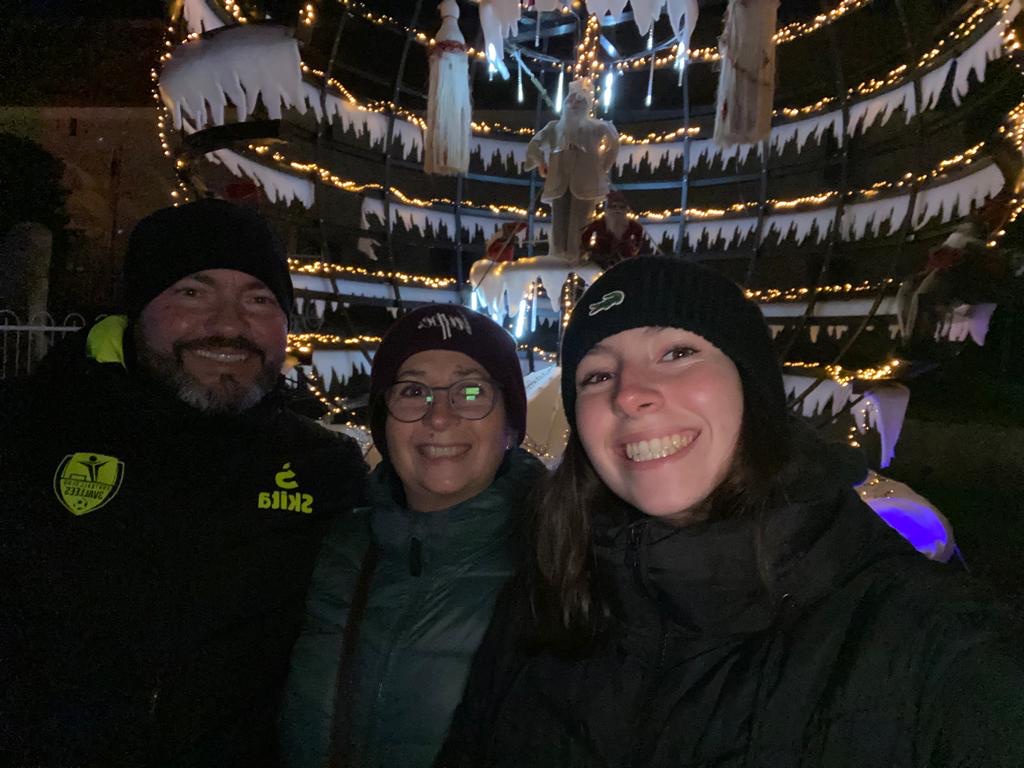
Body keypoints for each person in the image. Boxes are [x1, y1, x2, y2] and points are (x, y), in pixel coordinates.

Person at [437, 256, 1024, 768]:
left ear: (751, 386)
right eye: (598, 375)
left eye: (678, 352)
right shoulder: (544, 598)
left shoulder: (928, 642)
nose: (629, 394)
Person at [0, 199, 367, 767]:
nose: (228, 325)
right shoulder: (28, 433)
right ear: (137, 309)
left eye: (259, 300)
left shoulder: (325, 470)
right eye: (193, 293)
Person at [281, 304, 546, 768]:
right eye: (412, 391)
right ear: (383, 424)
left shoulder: (560, 559)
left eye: (471, 391)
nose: (439, 417)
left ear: (509, 428)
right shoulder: (333, 550)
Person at [526, 78, 619, 263]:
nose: (574, 103)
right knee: (558, 221)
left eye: (579, 100)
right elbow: (534, 144)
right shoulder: (554, 127)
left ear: (587, 104)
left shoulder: (597, 126)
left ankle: (576, 257)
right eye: (571, 99)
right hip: (559, 181)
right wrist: (541, 162)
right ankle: (557, 257)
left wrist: (602, 167)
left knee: (580, 222)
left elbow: (613, 143)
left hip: (585, 183)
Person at [579, 190, 649, 269]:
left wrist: (635, 248)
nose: (617, 210)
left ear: (625, 210)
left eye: (621, 207)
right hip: (601, 258)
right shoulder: (599, 223)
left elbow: (639, 233)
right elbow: (586, 235)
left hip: (625, 260)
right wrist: (588, 249)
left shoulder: (632, 225)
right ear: (608, 208)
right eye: (614, 206)